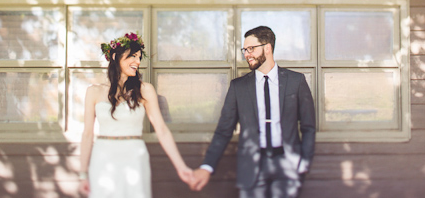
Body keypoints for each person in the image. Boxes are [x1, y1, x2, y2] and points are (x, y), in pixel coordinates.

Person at [189, 26, 316, 198]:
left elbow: (308, 126)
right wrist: (207, 166)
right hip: (252, 168)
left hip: (288, 168)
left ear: (267, 48)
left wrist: (305, 161)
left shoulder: (296, 81)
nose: (246, 54)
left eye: (251, 49)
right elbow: (223, 131)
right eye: (244, 50)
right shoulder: (238, 87)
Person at [78, 32, 193, 198]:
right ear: (116, 57)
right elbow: (87, 134)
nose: (137, 62)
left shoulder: (145, 90)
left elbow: (162, 130)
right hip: (103, 158)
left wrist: (181, 167)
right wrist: (82, 174)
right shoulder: (93, 92)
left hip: (134, 158)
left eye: (139, 57)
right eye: (132, 56)